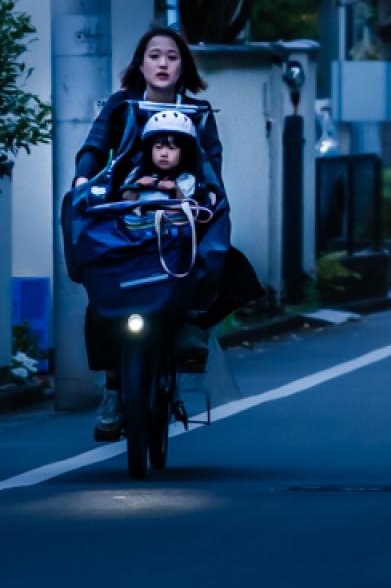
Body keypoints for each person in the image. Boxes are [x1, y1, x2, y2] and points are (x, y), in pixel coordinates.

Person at [73, 25, 257, 441]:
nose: (162, 63)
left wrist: (207, 199)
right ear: (141, 63)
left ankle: (192, 327)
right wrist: (82, 180)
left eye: (172, 56)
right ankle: (114, 389)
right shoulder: (120, 107)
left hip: (181, 218)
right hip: (125, 217)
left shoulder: (201, 112)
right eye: (155, 55)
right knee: (101, 287)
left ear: (183, 66)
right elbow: (93, 148)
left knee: (227, 268)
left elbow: (212, 164)